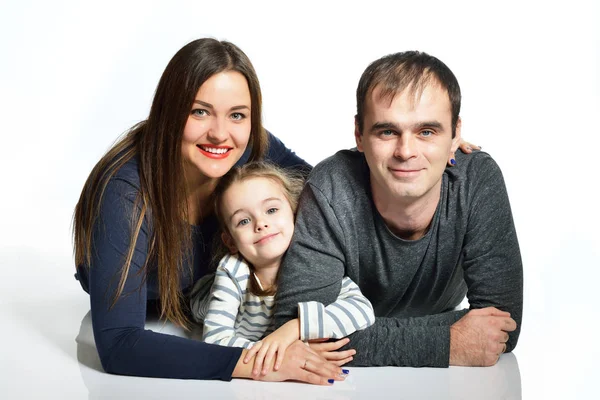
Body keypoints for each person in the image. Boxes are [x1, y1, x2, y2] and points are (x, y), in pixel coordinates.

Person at [72, 38, 345, 384]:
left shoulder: (250, 148)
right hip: (155, 309)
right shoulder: (126, 195)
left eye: (237, 115)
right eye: (199, 111)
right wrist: (262, 361)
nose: (220, 134)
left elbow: (326, 194)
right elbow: (119, 344)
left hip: (211, 303)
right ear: (170, 112)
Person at [273, 51, 523, 368]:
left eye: (427, 132)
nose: (406, 151)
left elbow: (501, 328)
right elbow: (293, 331)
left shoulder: (476, 180)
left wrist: (351, 335)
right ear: (359, 135)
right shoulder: (332, 186)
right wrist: (449, 343)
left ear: (455, 135)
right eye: (387, 131)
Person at [196, 161, 375, 376]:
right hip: (202, 297)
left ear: (296, 213)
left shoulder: (317, 262)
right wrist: (284, 352)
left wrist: (295, 329)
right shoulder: (232, 271)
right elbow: (215, 339)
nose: (260, 224)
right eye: (243, 221)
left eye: (271, 210)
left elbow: (362, 310)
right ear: (231, 241)